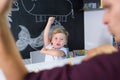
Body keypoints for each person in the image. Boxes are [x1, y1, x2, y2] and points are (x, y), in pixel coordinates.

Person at [0, 0, 120, 80]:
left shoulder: (63, 50)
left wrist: (45, 51)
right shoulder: (50, 45)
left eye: (61, 39)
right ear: (52, 40)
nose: (58, 41)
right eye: (56, 38)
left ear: (65, 42)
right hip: (47, 70)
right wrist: (49, 23)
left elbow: (57, 53)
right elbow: (46, 35)